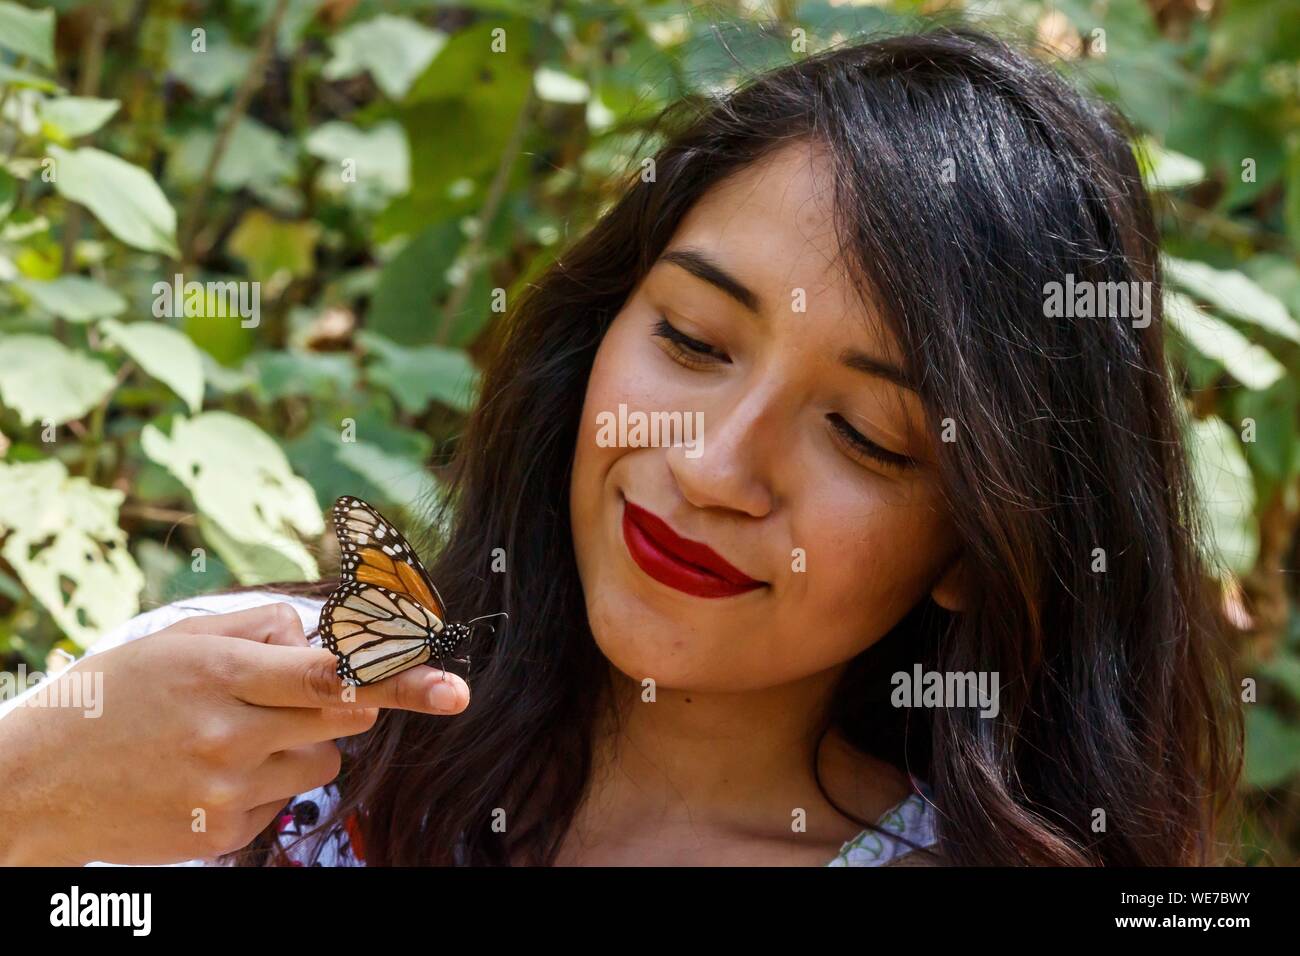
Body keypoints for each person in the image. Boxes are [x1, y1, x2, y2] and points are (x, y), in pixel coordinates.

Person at [0, 26, 1242, 867]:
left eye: (865, 434)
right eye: (695, 340)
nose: (710, 465)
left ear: (980, 538)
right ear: (601, 328)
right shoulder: (219, 724)